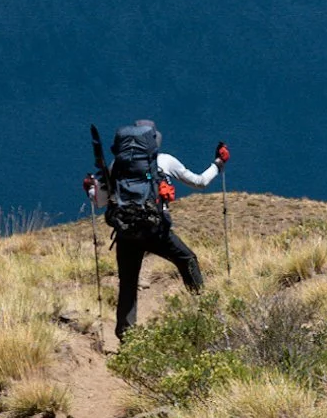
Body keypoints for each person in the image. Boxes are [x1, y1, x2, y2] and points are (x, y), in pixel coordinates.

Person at [84, 119, 228, 340]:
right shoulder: (164, 161)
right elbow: (199, 182)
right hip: (155, 230)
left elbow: (100, 202)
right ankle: (203, 311)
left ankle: (127, 338)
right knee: (187, 258)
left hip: (126, 233)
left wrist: (91, 190)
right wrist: (218, 164)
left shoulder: (115, 166)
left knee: (129, 283)